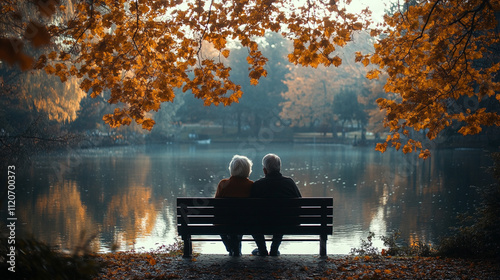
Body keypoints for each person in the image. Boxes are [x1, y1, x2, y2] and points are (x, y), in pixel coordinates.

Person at [250, 153, 302, 256]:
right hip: (287, 223)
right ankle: (274, 249)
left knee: (253, 220)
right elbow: (299, 202)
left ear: (264, 170)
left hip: (261, 224)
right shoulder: (289, 183)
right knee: (282, 216)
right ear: (279, 168)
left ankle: (262, 249)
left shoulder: (257, 185)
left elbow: (250, 209)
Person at [215, 155, 253, 256]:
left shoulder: (223, 184)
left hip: (224, 222)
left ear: (231, 169)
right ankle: (235, 249)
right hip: (245, 222)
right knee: (240, 221)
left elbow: (216, 206)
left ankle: (230, 247)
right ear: (248, 169)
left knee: (222, 222)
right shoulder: (251, 185)